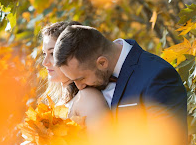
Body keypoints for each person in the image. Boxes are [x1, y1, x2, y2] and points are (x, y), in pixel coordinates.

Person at [53, 25, 187, 127]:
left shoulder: (157, 76)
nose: (80, 87)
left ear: (102, 63)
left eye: (81, 78)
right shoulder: (93, 82)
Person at [40, 21, 109, 127]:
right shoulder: (59, 102)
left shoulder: (87, 98)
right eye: (44, 53)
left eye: (52, 53)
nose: (44, 63)